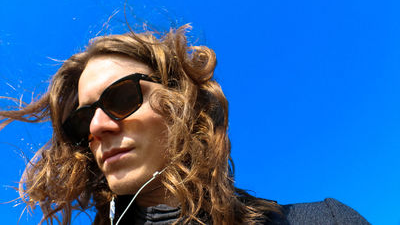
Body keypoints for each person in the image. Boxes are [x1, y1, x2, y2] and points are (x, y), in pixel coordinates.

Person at [0, 24, 370, 224]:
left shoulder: (325, 219)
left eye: (121, 98)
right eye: (83, 119)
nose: (96, 127)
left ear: (183, 102)